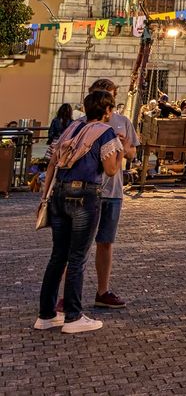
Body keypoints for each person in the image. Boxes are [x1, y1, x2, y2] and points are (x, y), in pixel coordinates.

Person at [35, 89, 122, 334]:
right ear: (107, 110)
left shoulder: (72, 128)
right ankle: (73, 316)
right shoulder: (105, 132)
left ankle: (46, 314)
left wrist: (45, 197)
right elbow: (111, 170)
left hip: (59, 193)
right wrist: (121, 153)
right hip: (84, 195)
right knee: (77, 257)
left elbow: (52, 162)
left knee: (58, 255)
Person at [88, 79, 138, 311]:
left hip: (113, 190)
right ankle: (67, 294)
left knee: (105, 242)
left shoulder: (123, 122)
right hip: (89, 188)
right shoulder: (83, 123)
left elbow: (131, 153)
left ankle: (102, 290)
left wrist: (123, 145)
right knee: (77, 245)